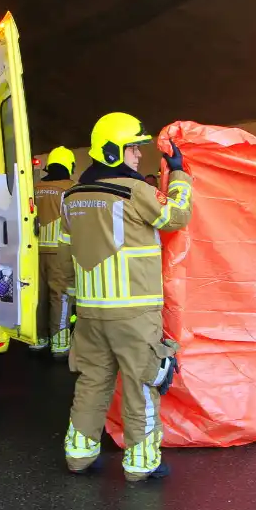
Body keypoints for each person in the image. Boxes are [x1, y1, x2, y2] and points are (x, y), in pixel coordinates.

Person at [58, 112, 193, 481]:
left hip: (90, 313)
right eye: (133, 147)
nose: (138, 154)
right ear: (114, 151)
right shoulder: (136, 192)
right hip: (133, 312)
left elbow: (66, 254)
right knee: (141, 385)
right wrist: (179, 175)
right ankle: (141, 463)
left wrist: (71, 304)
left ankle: (79, 455)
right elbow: (178, 216)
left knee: (91, 383)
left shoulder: (71, 198)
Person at [31, 146, 78, 357]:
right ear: (69, 165)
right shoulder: (71, 188)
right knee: (60, 296)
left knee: (37, 296)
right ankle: (59, 344)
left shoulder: (34, 187)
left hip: (33, 251)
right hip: (61, 251)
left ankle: (38, 338)